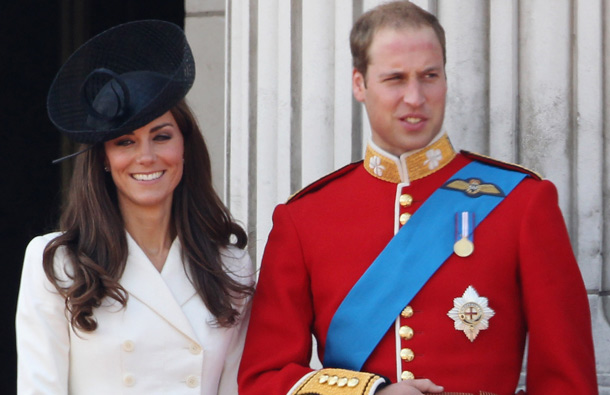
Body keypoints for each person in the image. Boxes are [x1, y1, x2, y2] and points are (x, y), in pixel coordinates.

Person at [237, 2, 598, 395]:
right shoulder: (305, 218)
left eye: (429, 76)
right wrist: (370, 393)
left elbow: (568, 381)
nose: (415, 97)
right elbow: (262, 380)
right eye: (395, 79)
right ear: (359, 84)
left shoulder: (522, 203)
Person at [15, 20, 254, 395]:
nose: (146, 156)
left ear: (184, 148)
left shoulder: (231, 265)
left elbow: (237, 386)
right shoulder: (56, 263)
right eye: (125, 142)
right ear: (104, 160)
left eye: (161, 136)